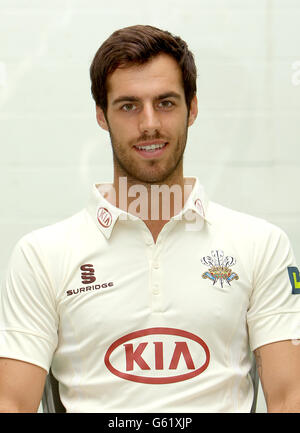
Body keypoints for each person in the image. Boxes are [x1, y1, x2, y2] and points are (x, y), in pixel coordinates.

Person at [0, 24, 300, 413]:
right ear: (101, 115)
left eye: (165, 103)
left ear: (192, 108)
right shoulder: (41, 255)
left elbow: (289, 397)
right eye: (128, 106)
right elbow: (12, 403)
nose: (149, 124)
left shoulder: (262, 244)